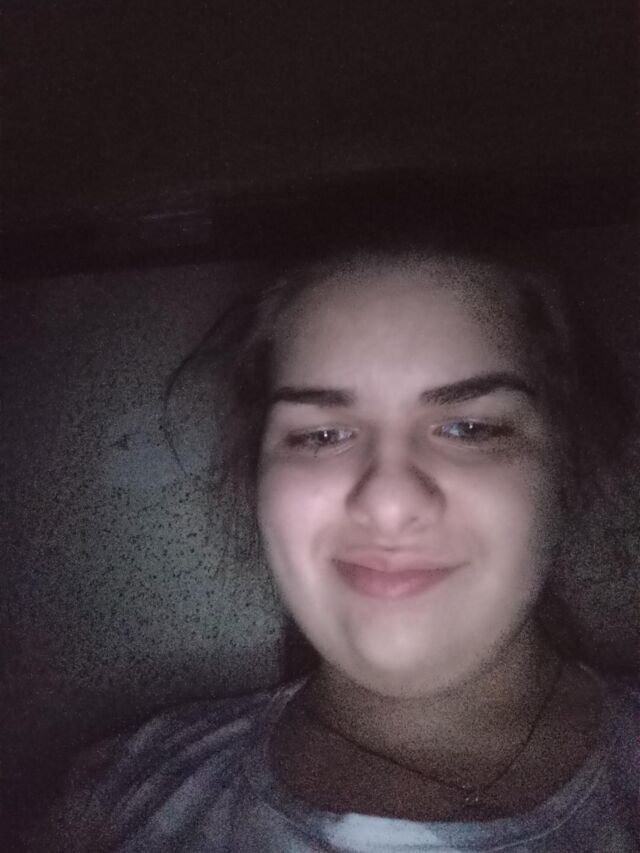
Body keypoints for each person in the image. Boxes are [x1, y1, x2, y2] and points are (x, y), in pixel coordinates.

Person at [30, 208, 639, 851]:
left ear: (566, 465)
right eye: (321, 436)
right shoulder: (122, 797)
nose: (389, 501)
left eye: (470, 428)